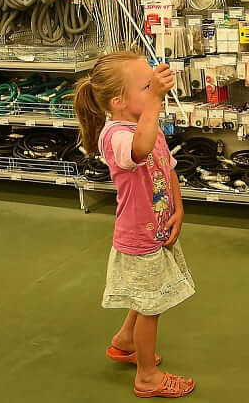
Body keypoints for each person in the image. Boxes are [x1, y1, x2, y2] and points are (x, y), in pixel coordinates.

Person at [74, 52, 195, 397]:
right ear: (118, 102)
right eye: (146, 86)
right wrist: (156, 98)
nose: (154, 89)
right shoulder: (115, 136)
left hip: (157, 229)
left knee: (145, 295)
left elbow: (168, 166)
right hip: (138, 238)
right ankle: (146, 377)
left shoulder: (146, 122)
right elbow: (140, 149)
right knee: (150, 307)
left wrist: (179, 207)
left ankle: (126, 340)